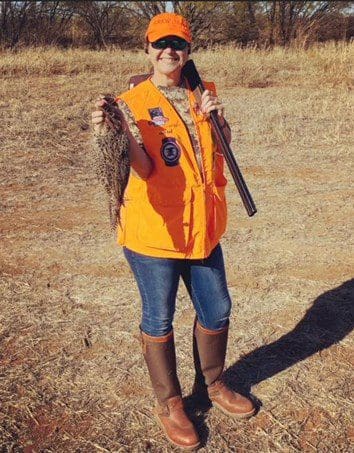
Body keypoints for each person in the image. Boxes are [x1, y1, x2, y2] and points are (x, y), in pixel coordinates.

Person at [92, 12, 255, 450]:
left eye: (178, 44)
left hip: (203, 226)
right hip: (154, 232)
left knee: (217, 309)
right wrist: (117, 134)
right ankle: (170, 402)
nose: (170, 51)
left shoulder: (204, 92)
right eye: (160, 43)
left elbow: (224, 149)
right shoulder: (133, 101)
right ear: (147, 48)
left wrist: (218, 120)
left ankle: (214, 385)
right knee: (158, 317)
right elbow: (143, 169)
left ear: (188, 51)